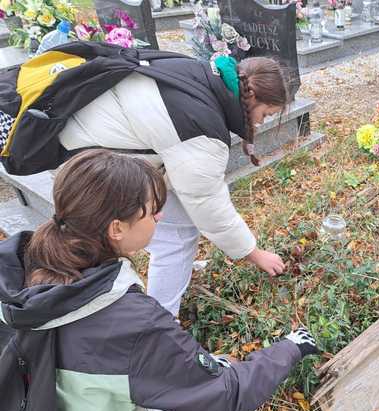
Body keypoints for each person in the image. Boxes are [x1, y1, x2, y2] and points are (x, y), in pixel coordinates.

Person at [0, 149, 318, 411]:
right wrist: (290, 348)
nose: (160, 218)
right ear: (117, 229)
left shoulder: (18, 266)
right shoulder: (130, 323)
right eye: (152, 212)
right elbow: (224, 396)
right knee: (211, 382)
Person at [57, 54, 289, 317]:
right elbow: (209, 206)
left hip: (88, 141)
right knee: (174, 240)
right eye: (265, 114)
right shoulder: (202, 128)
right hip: (91, 167)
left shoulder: (204, 74)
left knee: (180, 226)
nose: (260, 122)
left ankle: (171, 285)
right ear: (252, 95)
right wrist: (255, 253)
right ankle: (162, 322)